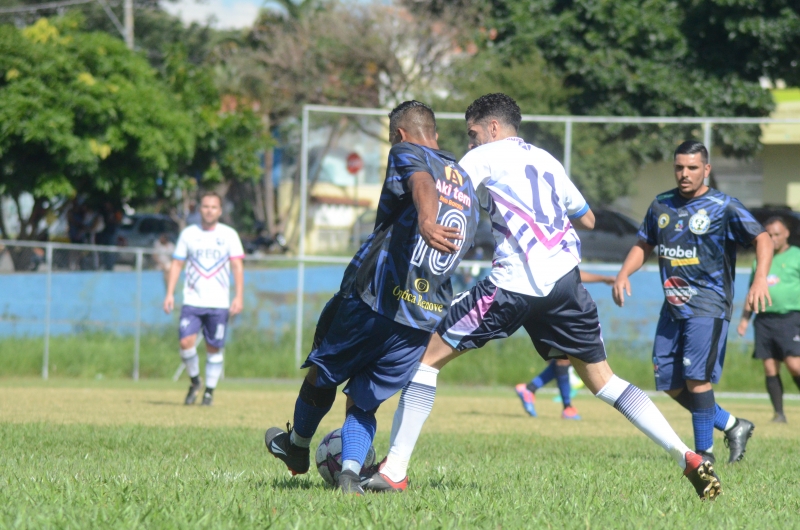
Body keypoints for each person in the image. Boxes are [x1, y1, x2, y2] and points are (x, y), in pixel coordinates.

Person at [365, 94, 722, 501]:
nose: (470, 144)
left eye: (473, 134)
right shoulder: (547, 160)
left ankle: (394, 471)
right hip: (566, 284)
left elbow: (446, 193)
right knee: (604, 381)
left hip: (514, 283)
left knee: (425, 360)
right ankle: (685, 455)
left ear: (493, 129)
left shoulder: (483, 158)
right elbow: (587, 217)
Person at [262, 101, 479, 495]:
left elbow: (422, 184)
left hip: (374, 297)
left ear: (399, 135)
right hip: (422, 315)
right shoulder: (465, 179)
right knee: (364, 399)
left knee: (324, 370)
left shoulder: (408, 151)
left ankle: (296, 448)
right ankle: (349, 476)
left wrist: (427, 220)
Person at [613, 140, 772, 465]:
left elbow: (763, 238)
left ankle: (704, 455)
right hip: (673, 306)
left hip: (709, 304)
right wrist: (623, 273)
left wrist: (758, 279)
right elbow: (644, 243)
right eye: (679, 167)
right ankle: (732, 425)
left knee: (696, 377)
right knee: (669, 381)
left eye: (692, 168)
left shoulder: (723, 205)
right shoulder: (661, 205)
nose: (685, 174)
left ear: (706, 169)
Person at [163, 191, 245, 407]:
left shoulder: (229, 235)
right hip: (192, 300)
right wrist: (170, 293)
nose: (209, 210)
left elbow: (237, 266)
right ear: (200, 209)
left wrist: (238, 296)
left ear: (220, 210)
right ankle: (194, 381)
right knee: (185, 342)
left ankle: (209, 391)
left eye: (213, 207)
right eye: (205, 206)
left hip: (218, 303)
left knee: (213, 348)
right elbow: (177, 264)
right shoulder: (189, 234)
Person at [515, 271, 615, 420]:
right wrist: (603, 278)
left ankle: (530, 389)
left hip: (550, 305)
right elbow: (571, 272)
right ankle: (566, 407)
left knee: (565, 358)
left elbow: (572, 272)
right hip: (550, 306)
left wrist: (603, 279)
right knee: (564, 358)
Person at [737, 216, 800, 423]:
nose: (772, 239)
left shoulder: (796, 256)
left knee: (794, 365)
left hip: (790, 318)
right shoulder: (761, 260)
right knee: (770, 367)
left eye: (776, 234)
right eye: (768, 235)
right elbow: (752, 292)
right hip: (764, 320)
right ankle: (779, 414)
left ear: (786, 234)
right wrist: (745, 319)